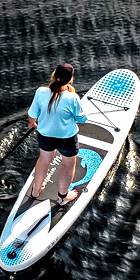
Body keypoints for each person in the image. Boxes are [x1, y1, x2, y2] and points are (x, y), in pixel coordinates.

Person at [26, 62, 87, 206]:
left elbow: (32, 114)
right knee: (67, 165)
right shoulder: (73, 98)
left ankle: (35, 192)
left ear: (54, 75)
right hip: (66, 138)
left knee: (44, 160)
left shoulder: (41, 92)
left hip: (45, 136)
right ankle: (62, 198)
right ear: (70, 80)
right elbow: (81, 119)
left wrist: (32, 124)